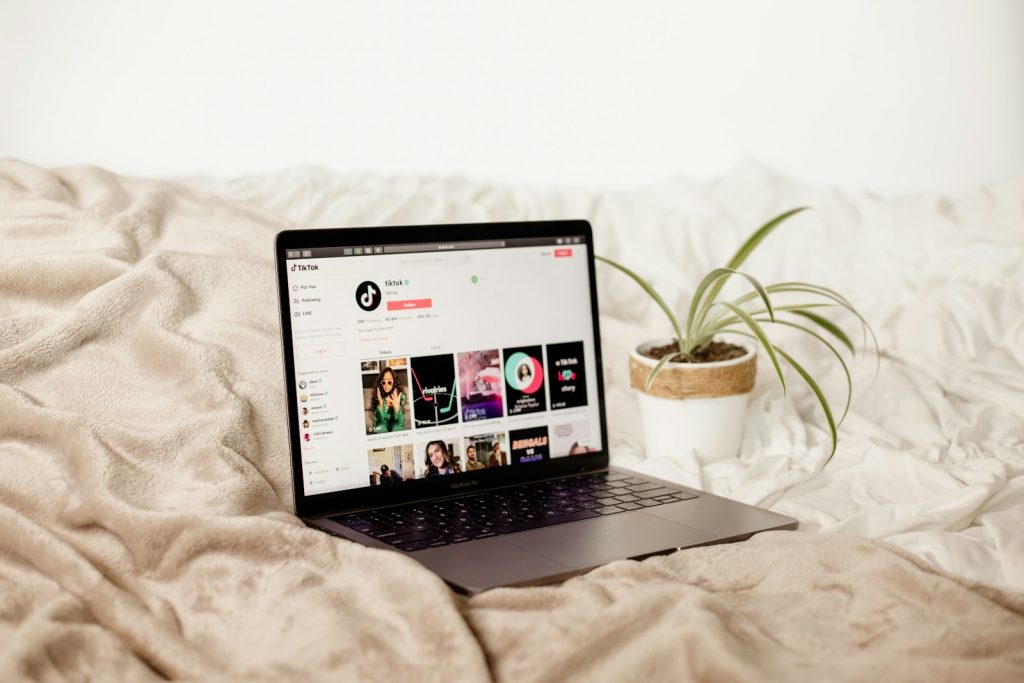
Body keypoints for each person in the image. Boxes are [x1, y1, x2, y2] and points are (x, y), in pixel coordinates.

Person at [370, 367, 407, 433]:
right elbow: (379, 420)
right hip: (382, 424)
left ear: (394, 382)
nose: (386, 385)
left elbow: (399, 421)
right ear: (380, 383)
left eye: (389, 381)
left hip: (396, 423)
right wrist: (380, 403)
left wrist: (397, 407)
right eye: (383, 382)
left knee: (397, 428)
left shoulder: (400, 396)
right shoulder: (377, 396)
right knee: (381, 428)